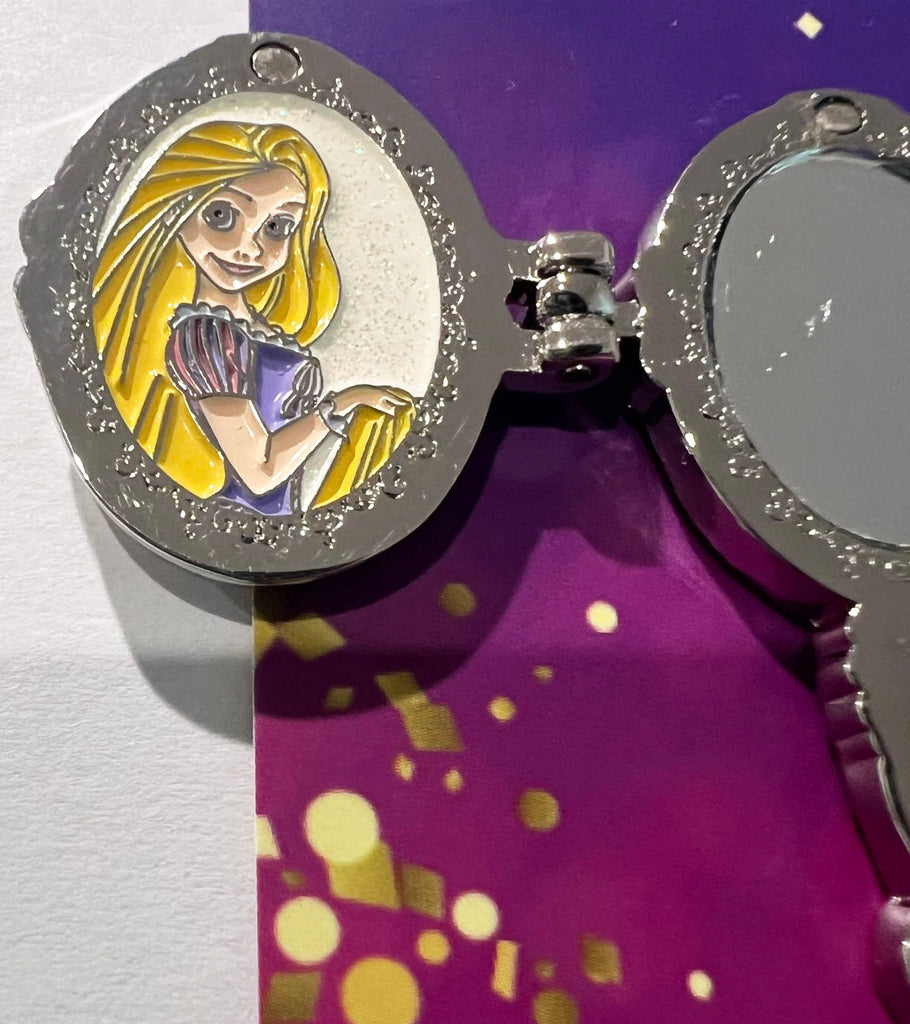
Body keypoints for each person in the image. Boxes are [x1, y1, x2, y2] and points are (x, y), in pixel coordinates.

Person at [92, 120, 414, 514]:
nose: (250, 248)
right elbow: (260, 472)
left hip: (280, 520)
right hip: (245, 519)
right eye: (221, 216)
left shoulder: (252, 328)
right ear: (178, 212)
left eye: (277, 227)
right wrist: (343, 403)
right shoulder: (207, 337)